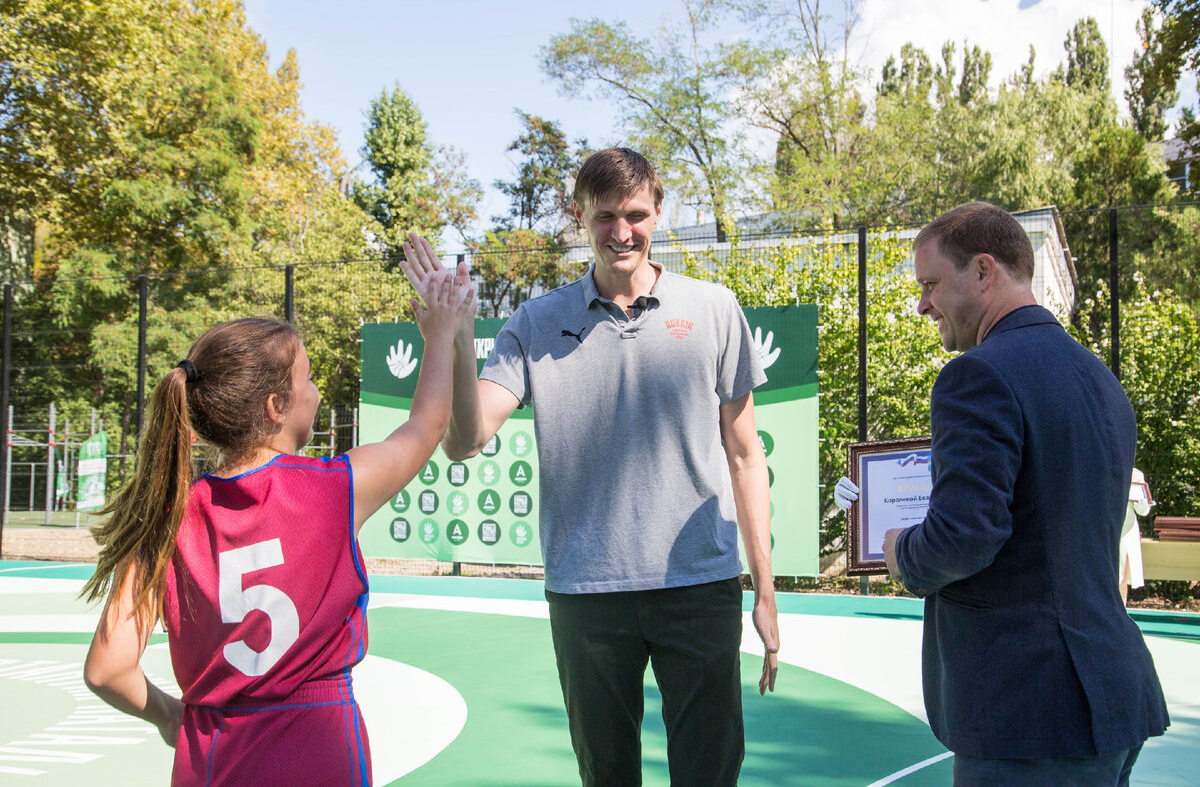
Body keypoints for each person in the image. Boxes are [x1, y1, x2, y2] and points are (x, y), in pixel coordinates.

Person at [401, 147, 779, 787]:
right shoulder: (535, 322)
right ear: (580, 216)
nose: (621, 232)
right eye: (605, 216)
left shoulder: (715, 310)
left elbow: (745, 456)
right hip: (587, 594)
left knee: (712, 774)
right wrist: (456, 337)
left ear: (660, 212)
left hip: (700, 586)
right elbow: (463, 441)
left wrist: (765, 590)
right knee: (607, 777)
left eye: (635, 214)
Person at [80, 272, 473, 786]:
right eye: (307, 380)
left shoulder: (165, 517)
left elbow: (107, 670)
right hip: (318, 747)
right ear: (276, 407)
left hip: (211, 754)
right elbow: (426, 425)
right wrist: (441, 337)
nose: (315, 390)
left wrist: (172, 716)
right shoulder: (334, 490)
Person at [837, 202, 1168, 786]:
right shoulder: (1100, 379)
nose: (922, 304)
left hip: (1029, 715)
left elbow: (962, 538)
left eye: (931, 284)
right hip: (1113, 697)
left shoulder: (977, 375)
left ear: (984, 270)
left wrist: (898, 553)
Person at [1120, 468, 1153, 604]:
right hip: (1101, 530)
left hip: (1126, 532)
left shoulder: (1136, 474)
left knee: (1122, 579)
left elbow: (1144, 511)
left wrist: (1142, 502)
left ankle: (1120, 615)